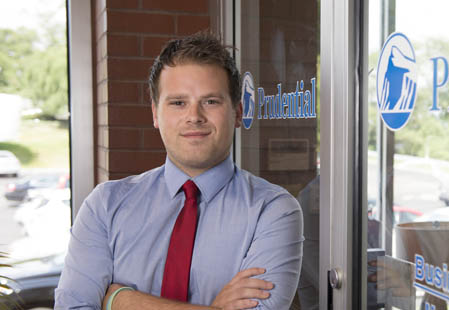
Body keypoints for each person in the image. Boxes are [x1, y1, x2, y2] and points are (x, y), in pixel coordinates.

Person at [55, 32, 304, 309]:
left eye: (211, 101)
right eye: (178, 103)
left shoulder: (272, 210)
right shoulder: (105, 205)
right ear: (155, 114)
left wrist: (120, 299)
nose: (194, 116)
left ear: (237, 112)